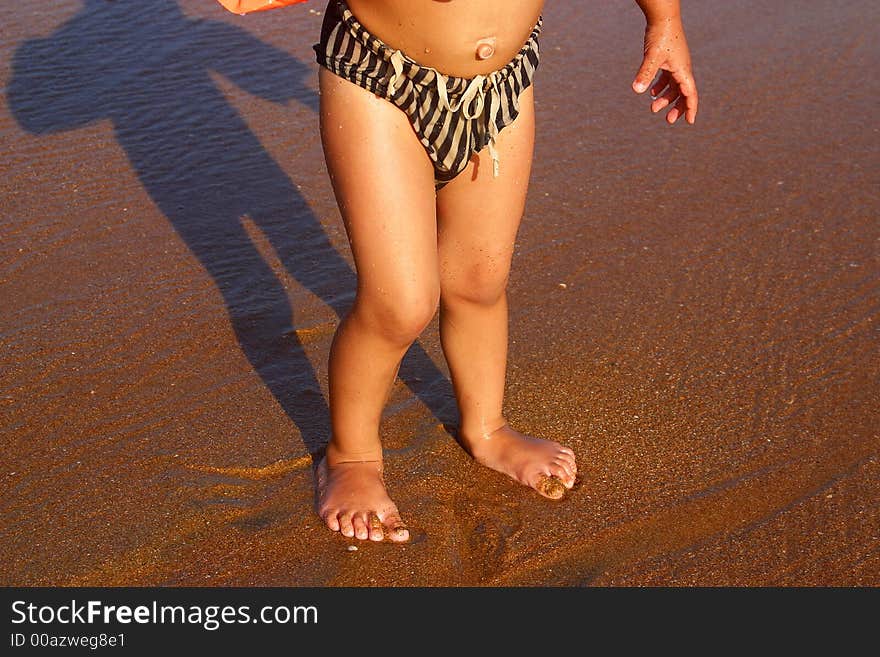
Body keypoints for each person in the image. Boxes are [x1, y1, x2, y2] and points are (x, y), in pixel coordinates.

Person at [312, 0, 699, 542]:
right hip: (379, 76)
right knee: (400, 302)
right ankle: (350, 456)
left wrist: (664, 21)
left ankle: (488, 428)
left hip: (502, 85)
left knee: (478, 281)